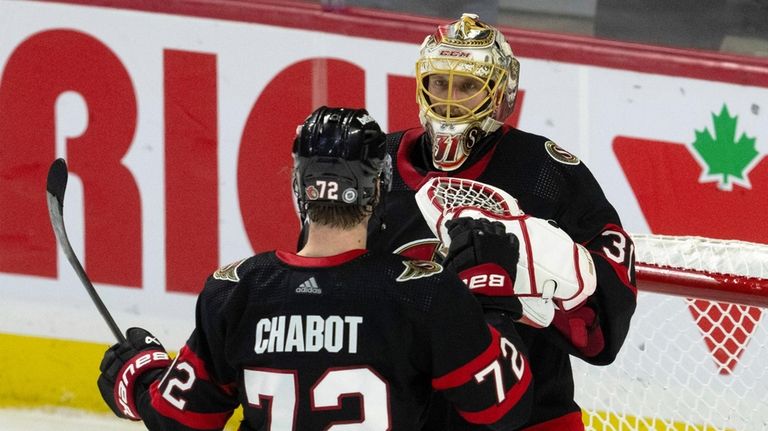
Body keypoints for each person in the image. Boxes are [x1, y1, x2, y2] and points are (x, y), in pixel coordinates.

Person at [96, 106, 536, 430]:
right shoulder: (422, 292)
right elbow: (503, 409)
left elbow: (181, 419)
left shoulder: (236, 290)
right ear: (379, 189)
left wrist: (137, 377)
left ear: (299, 187)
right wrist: (491, 293)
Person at [366, 13, 638, 430]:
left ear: (500, 94)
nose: (450, 99)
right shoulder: (375, 165)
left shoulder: (547, 174)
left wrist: (543, 304)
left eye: (468, 85)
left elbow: (605, 329)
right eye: (440, 82)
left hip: (528, 416)